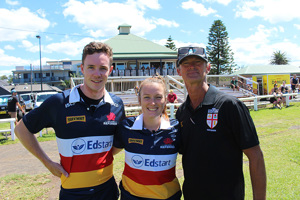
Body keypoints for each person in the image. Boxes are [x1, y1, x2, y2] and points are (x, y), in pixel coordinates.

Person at [15, 42, 125, 200]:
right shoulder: (59, 102)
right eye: (91, 67)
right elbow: (21, 130)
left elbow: (119, 141)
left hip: (107, 191)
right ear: (82, 69)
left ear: (110, 70)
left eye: (103, 68)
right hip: (72, 194)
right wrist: (47, 162)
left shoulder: (116, 104)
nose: (97, 73)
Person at [175, 46, 266, 199]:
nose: (192, 66)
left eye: (198, 62)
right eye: (186, 63)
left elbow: (255, 156)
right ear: (179, 71)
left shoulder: (230, 106)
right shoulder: (182, 112)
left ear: (208, 67)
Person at [113, 75, 182, 200]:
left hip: (168, 197)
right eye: (147, 97)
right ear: (139, 100)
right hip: (131, 197)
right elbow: (106, 153)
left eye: (158, 97)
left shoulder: (176, 129)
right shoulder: (126, 127)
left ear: (165, 100)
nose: (153, 103)